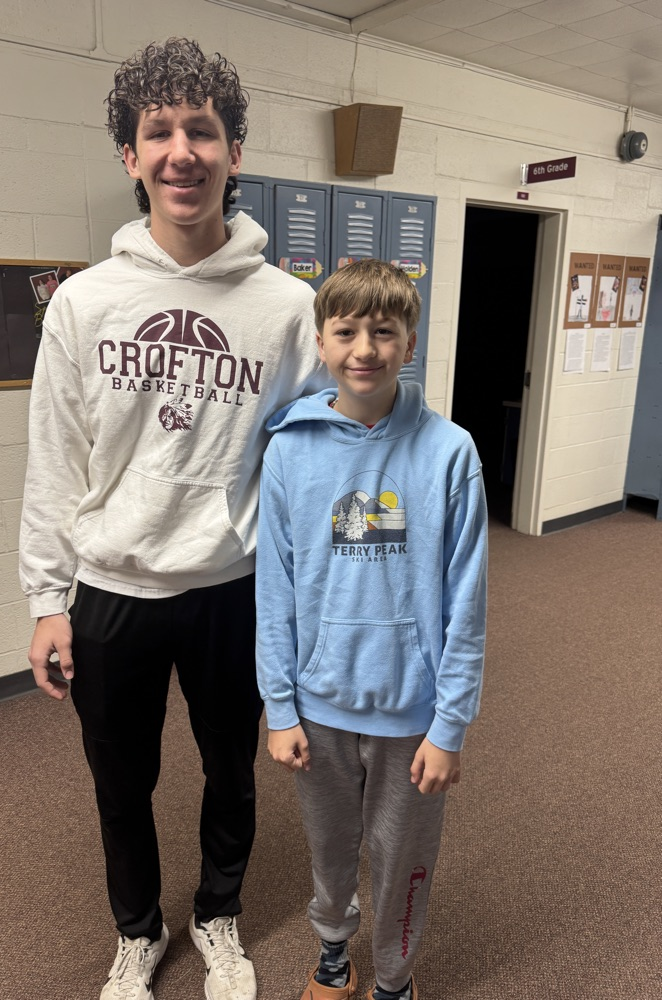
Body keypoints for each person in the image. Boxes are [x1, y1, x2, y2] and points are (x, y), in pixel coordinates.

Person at [19, 37, 326, 1000]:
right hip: (110, 591)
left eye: (204, 129)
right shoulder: (84, 303)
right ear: (130, 155)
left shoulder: (286, 308)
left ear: (234, 153)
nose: (181, 150)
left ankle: (220, 915)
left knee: (232, 773)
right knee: (121, 783)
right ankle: (139, 931)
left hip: (231, 590)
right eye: (160, 131)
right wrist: (45, 597)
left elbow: (316, 461)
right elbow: (53, 457)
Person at [255, 259, 488, 1000]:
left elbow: (468, 601)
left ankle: (394, 978)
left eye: (383, 332)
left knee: (402, 857)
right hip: (318, 706)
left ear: (409, 343)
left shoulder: (451, 452)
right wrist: (279, 706)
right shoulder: (290, 449)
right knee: (330, 850)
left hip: (410, 714)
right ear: (320, 343)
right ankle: (332, 954)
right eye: (346, 331)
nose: (365, 348)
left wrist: (450, 724)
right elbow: (275, 589)